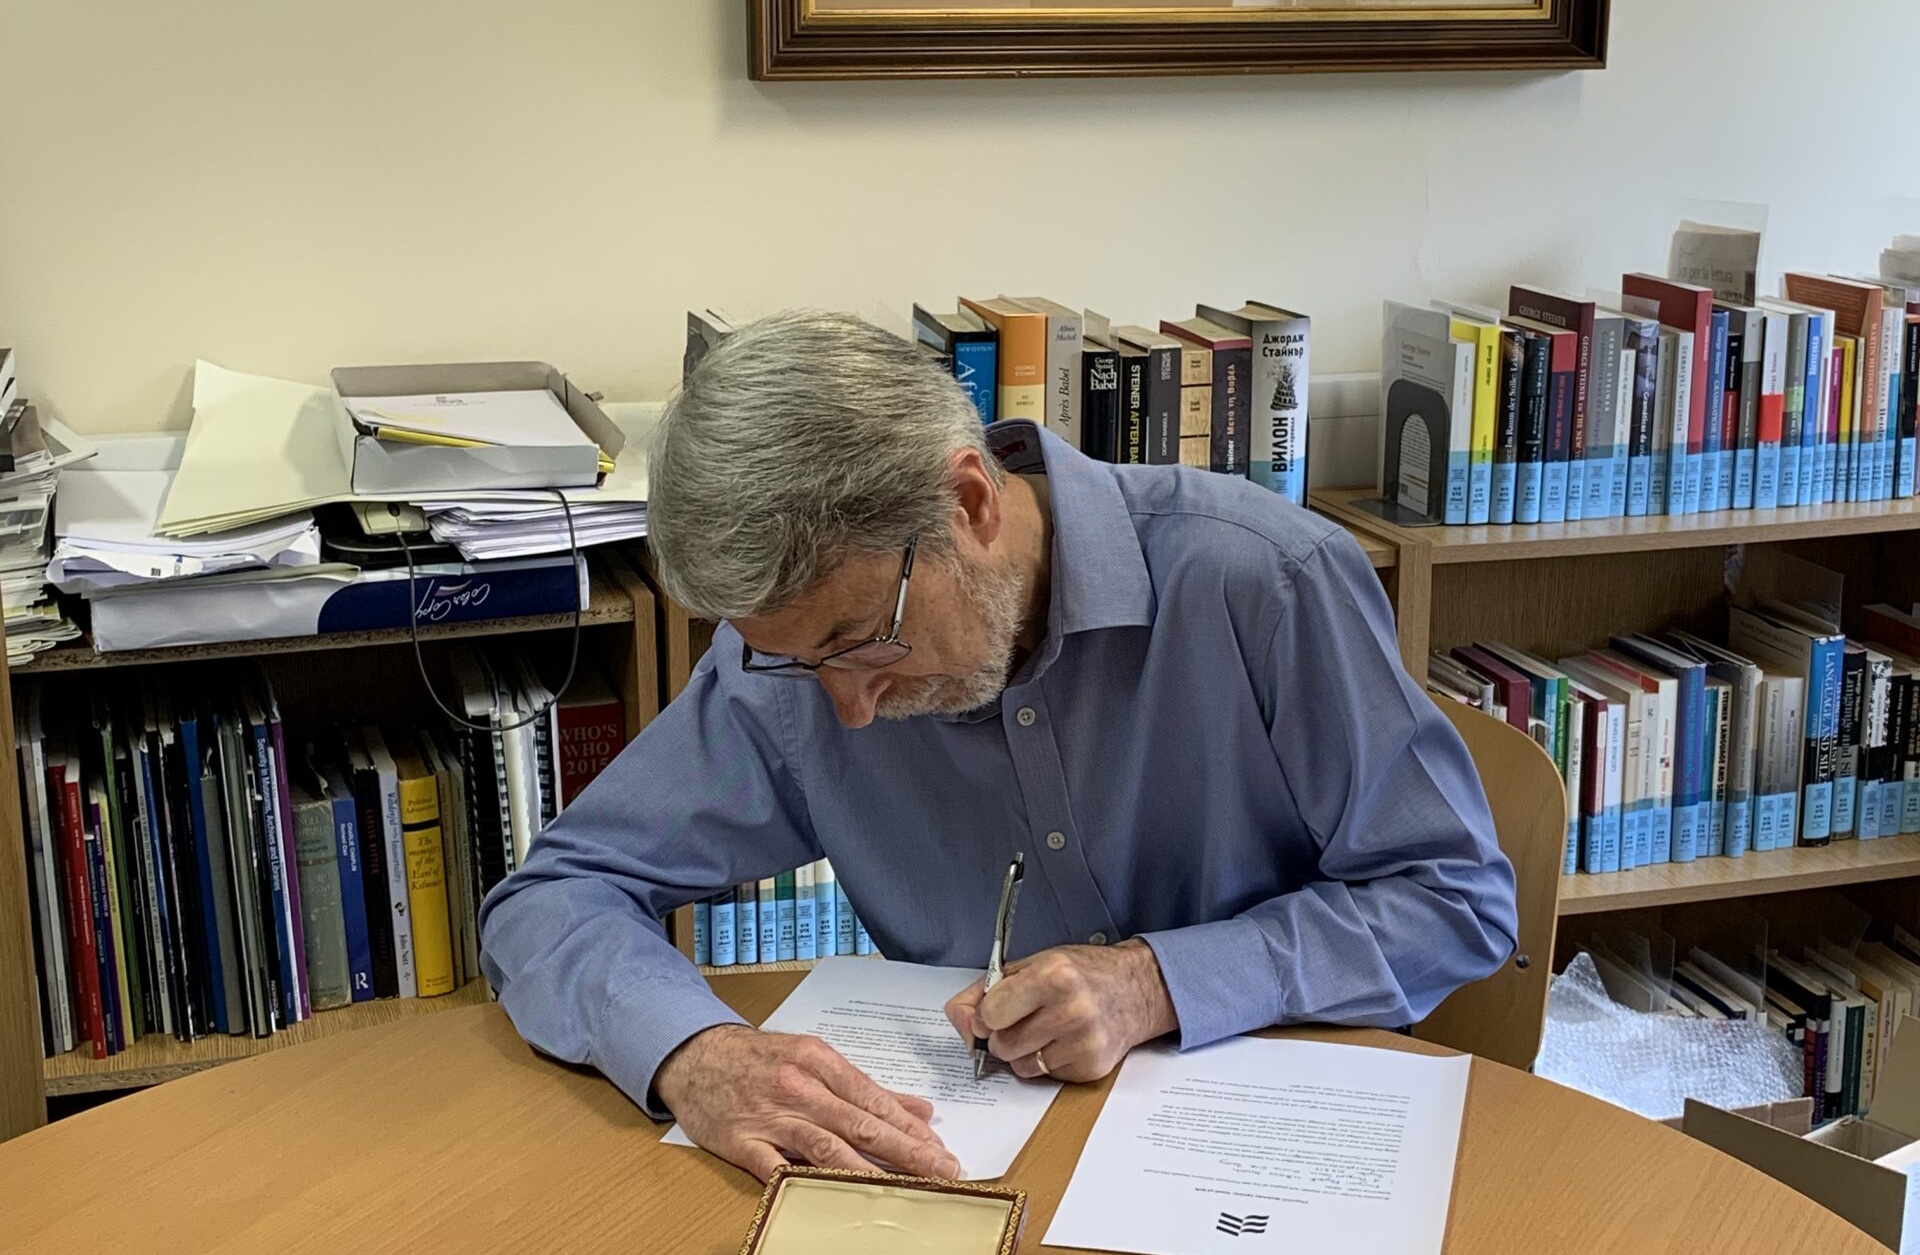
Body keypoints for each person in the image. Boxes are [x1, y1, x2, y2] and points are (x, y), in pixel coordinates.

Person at [480, 313, 1517, 1181]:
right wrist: (693, 1053)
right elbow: (552, 899)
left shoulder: (1265, 582)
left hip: (1274, 1161)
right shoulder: (790, 664)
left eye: (862, 643)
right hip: (984, 1172)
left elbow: (1454, 900)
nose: (848, 711)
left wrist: (1158, 981)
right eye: (801, 665)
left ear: (970, 502)